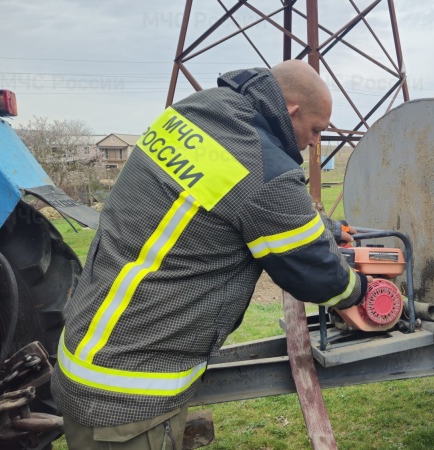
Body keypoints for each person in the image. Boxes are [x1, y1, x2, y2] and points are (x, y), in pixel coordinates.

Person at [51, 60, 368, 449]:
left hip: (85, 354)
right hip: (129, 396)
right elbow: (317, 274)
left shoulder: (196, 110)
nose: (316, 142)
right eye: (316, 129)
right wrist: (360, 291)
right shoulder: (261, 165)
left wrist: (331, 230)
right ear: (291, 112)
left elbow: (245, 206)